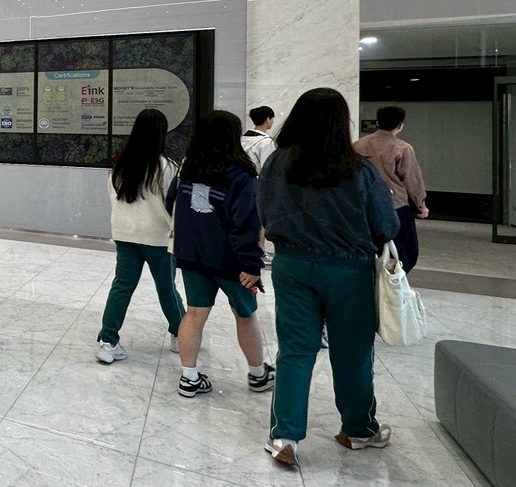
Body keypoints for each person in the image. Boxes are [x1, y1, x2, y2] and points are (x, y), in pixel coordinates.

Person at [259, 88, 400, 467]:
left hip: (290, 264)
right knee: (352, 352)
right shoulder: (358, 170)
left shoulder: (276, 163)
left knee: (295, 350)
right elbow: (386, 225)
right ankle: (358, 429)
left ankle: (285, 436)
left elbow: (263, 212)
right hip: (348, 270)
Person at [168, 111, 274, 398]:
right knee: (245, 315)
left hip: (191, 255)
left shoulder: (187, 168)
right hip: (232, 260)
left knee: (194, 313)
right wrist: (252, 263)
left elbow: (170, 203)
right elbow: (246, 222)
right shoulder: (241, 174)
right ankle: (257, 374)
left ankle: (189, 378)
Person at [95, 108, 185, 363]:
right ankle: (181, 335)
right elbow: (175, 205)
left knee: (121, 287)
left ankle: (108, 341)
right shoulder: (168, 167)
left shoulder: (120, 164)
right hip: (158, 237)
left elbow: (113, 196)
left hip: (125, 233)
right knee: (167, 288)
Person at [354, 106, 428, 273]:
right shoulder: (402, 148)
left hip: (362, 205)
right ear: (400, 125)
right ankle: (392, 280)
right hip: (395, 205)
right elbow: (412, 179)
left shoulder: (357, 145)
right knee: (404, 250)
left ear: (377, 122)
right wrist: (421, 205)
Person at [242, 106, 277, 172]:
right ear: (268, 119)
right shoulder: (266, 142)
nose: (273, 121)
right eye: (272, 118)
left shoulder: (242, 139)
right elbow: (268, 168)